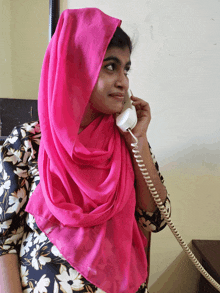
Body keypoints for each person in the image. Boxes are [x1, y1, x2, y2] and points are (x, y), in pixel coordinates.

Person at [0, 8, 171, 293]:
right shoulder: (28, 143)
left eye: (126, 69)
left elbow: (155, 220)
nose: (123, 81)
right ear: (77, 66)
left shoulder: (128, 141)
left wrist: (138, 142)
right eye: (110, 66)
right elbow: (4, 244)